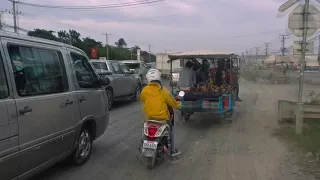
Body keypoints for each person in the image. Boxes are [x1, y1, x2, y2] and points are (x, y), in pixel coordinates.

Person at [140, 69, 181, 157]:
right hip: (162, 119)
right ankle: (172, 151)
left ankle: (144, 144)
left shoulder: (144, 90)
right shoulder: (163, 90)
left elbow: (142, 99)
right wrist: (180, 105)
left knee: (144, 131)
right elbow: (172, 102)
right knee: (171, 131)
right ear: (159, 78)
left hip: (149, 118)